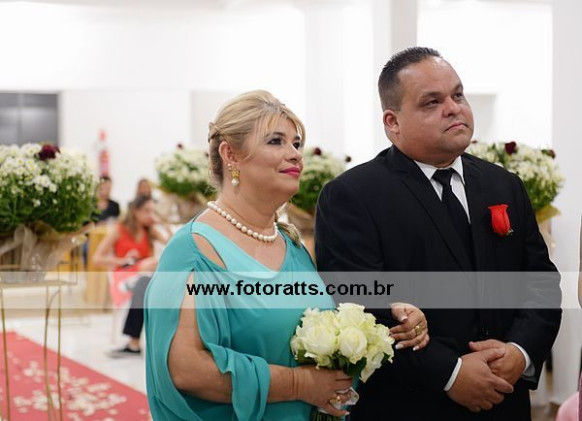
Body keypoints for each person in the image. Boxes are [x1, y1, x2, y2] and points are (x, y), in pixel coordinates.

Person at [143, 90, 429, 421]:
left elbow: (321, 322)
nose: (294, 154)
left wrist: (390, 314)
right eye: (276, 141)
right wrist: (298, 384)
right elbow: (186, 369)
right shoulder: (193, 250)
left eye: (296, 144)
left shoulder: (291, 245)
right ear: (230, 153)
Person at [315, 47, 562, 420]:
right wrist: (451, 373)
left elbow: (540, 283)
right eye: (432, 102)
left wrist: (518, 352)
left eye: (457, 95)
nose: (453, 108)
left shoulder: (503, 185)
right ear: (392, 122)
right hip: (412, 405)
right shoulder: (353, 195)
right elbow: (360, 305)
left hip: (504, 399)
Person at [93, 195, 169, 357]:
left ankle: (136, 343)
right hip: (124, 274)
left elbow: (173, 246)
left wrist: (163, 224)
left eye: (153, 211)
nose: (150, 215)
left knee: (148, 278)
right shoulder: (119, 230)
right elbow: (97, 258)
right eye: (147, 211)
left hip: (144, 277)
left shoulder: (150, 230)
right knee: (151, 269)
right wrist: (124, 260)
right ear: (136, 211)